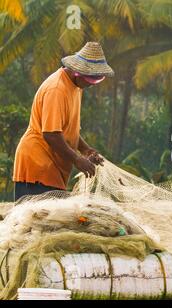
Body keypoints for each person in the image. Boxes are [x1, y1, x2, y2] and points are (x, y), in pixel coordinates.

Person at [13, 42, 114, 201]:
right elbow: (51, 134)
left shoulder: (76, 87)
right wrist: (77, 159)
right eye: (89, 79)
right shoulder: (57, 89)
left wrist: (86, 150)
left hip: (53, 167)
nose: (90, 85)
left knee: (54, 223)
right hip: (37, 166)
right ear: (77, 72)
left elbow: (68, 129)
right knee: (35, 222)